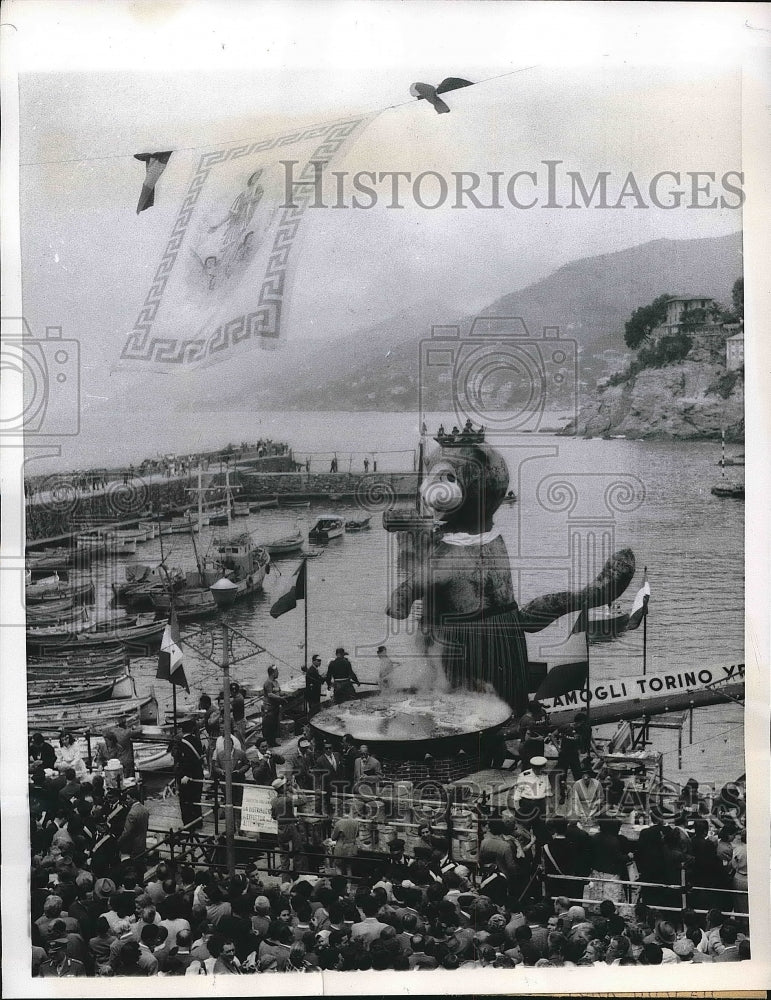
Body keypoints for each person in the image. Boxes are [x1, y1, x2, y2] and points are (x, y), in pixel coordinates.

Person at [271, 776, 308, 880]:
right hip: (291, 827)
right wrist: (297, 789)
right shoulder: (287, 800)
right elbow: (303, 800)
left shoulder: (273, 801)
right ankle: (300, 879)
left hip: (280, 828)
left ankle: (285, 881)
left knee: (284, 857)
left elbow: (273, 816)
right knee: (298, 853)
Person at [170, 725, 205, 831]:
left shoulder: (182, 743)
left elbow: (185, 760)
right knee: (196, 799)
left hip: (186, 776)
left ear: (182, 731)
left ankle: (189, 824)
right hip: (198, 774)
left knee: (185, 801)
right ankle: (198, 822)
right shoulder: (198, 741)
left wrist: (186, 774)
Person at [512, 755, 552, 822]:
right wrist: (517, 807)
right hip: (527, 803)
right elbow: (518, 791)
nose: (540, 772)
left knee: (540, 825)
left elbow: (548, 790)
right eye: (539, 770)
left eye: (542, 769)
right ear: (534, 768)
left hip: (540, 804)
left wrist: (550, 804)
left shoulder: (545, 775)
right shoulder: (524, 775)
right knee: (525, 825)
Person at [117, 787, 149, 860]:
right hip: (142, 842)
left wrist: (118, 841)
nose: (126, 800)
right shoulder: (144, 809)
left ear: (134, 799)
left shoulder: (132, 813)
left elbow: (127, 832)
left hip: (133, 845)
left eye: (128, 799)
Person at [261, 666, 285, 746]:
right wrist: (279, 698)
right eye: (277, 672)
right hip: (269, 708)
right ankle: (268, 742)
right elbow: (270, 694)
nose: (278, 673)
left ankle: (273, 741)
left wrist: (284, 694)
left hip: (275, 707)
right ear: (273, 673)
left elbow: (279, 691)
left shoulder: (276, 682)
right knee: (268, 725)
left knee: (274, 724)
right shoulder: (268, 682)